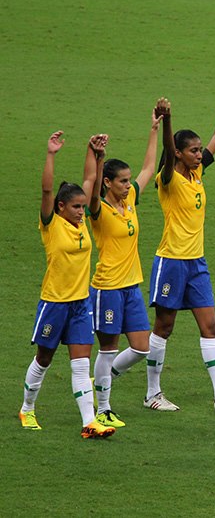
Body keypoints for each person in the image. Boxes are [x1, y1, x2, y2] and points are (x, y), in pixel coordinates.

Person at [146, 83, 215, 411]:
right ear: (178, 153)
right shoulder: (168, 178)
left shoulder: (197, 174)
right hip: (171, 261)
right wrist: (167, 120)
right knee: (164, 326)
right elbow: (167, 150)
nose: (200, 154)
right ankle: (152, 393)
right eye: (193, 151)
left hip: (197, 263)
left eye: (199, 150)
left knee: (211, 325)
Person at [20, 131, 115, 438]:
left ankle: (90, 422)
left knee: (80, 363)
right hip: (54, 303)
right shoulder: (51, 224)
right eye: (75, 207)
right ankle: (27, 408)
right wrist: (51, 154)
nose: (81, 211)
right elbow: (46, 189)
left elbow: (91, 179)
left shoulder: (81, 223)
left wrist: (94, 151)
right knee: (44, 359)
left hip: (80, 304)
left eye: (82, 207)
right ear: (60, 207)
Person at [87, 102, 163, 428]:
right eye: (121, 181)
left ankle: (101, 384)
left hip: (131, 285)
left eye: (128, 181)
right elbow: (89, 188)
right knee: (107, 349)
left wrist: (154, 129)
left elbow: (149, 168)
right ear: (107, 183)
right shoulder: (98, 210)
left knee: (142, 347)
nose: (127, 185)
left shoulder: (130, 198)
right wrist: (96, 155)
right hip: (107, 287)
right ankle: (102, 407)